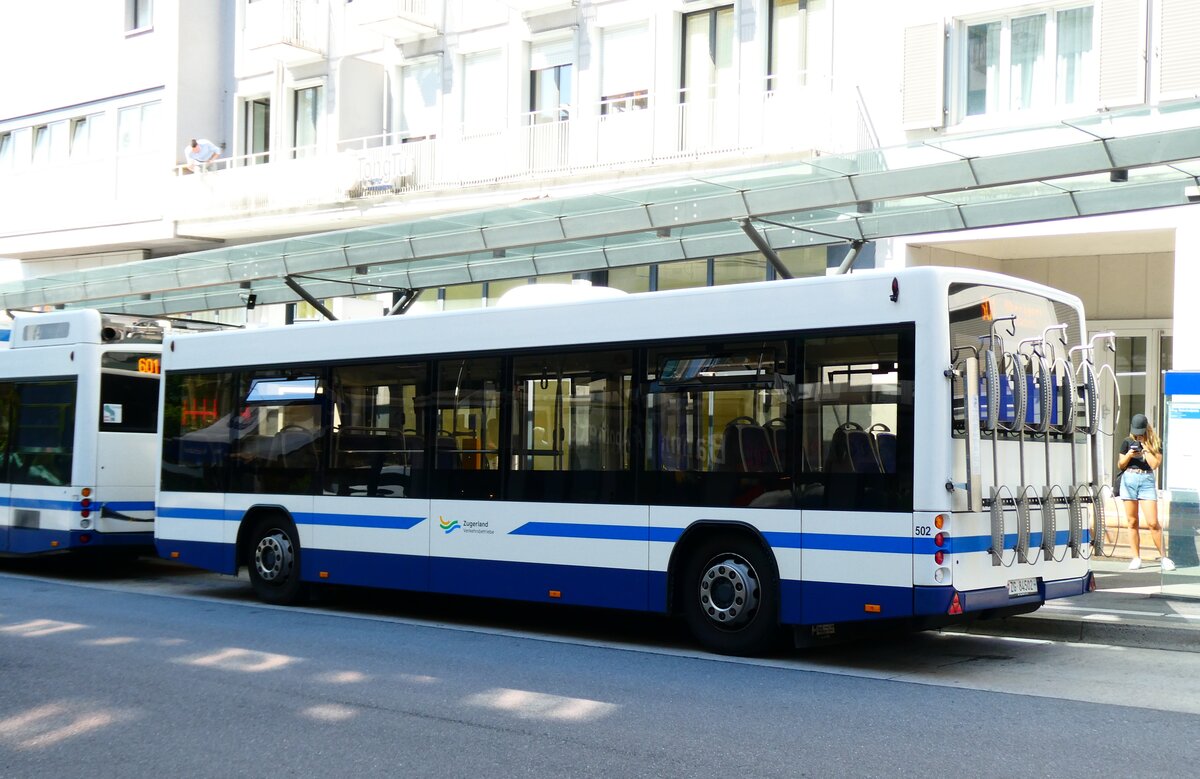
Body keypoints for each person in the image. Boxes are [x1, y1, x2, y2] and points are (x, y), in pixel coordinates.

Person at [1118, 413, 1174, 571]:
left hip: (1146, 481)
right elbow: (1120, 465)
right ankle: (1136, 557)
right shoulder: (1127, 442)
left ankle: (1164, 557)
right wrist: (1129, 454)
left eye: (1140, 432)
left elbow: (1155, 465)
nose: (1138, 435)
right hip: (1129, 479)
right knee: (1132, 521)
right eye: (1136, 432)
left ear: (1146, 429)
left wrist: (1146, 449)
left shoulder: (1156, 443)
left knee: (1152, 522)